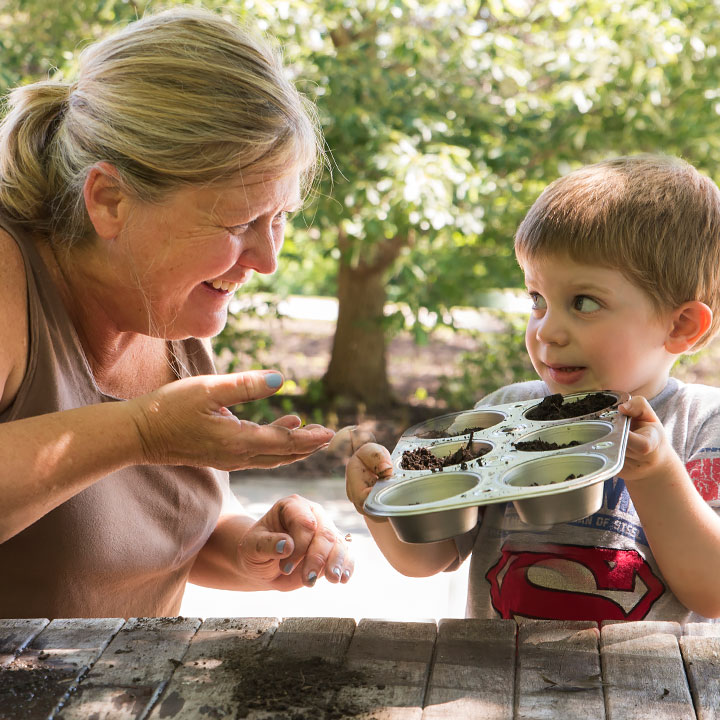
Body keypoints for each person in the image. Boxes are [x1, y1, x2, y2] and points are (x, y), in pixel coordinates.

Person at [0, 7, 354, 619]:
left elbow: (170, 531)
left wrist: (252, 549)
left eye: (280, 218)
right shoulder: (9, 277)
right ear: (109, 200)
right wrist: (141, 433)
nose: (268, 259)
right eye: (241, 222)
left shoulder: (168, 312)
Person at [346, 155, 720, 623]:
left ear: (681, 325)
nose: (547, 331)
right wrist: (380, 507)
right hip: (502, 686)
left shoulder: (702, 426)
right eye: (537, 300)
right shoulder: (504, 415)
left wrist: (656, 474)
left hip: (640, 692)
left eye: (583, 303)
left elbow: (713, 593)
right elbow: (431, 558)